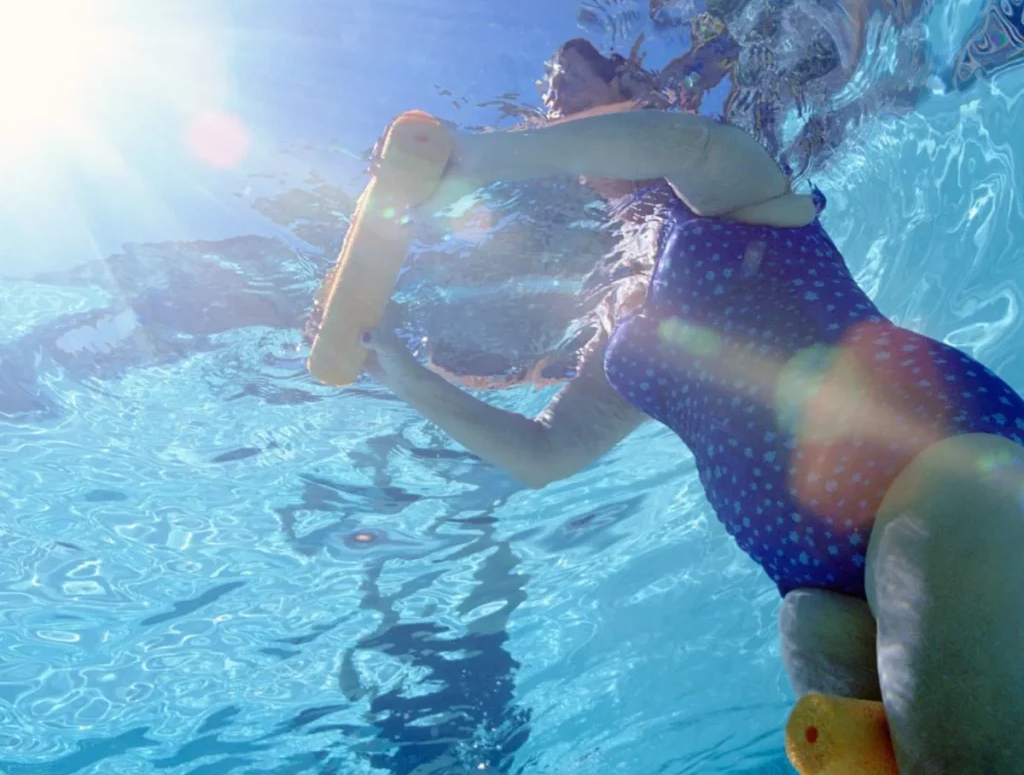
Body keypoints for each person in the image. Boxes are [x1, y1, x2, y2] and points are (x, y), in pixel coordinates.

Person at [357, 39, 1024, 774]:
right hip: (812, 591)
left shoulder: (730, 173)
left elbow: (680, 142)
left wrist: (475, 155)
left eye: (575, 94)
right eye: (551, 105)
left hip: (941, 474)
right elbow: (547, 453)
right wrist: (401, 374)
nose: (555, 109)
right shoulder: (623, 310)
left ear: (640, 89)